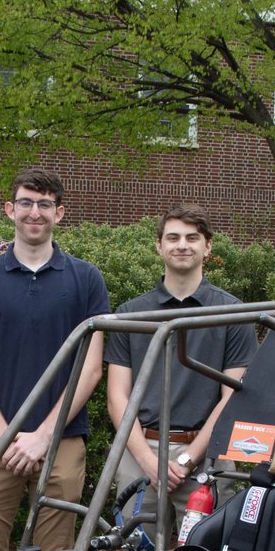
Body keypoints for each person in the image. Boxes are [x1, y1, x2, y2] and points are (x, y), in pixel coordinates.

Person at [0, 168, 109, 551]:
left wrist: (42, 436)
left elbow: (90, 368)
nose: (34, 212)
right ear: (10, 210)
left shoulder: (87, 279)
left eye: (45, 204)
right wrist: (7, 437)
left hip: (61, 441)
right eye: (26, 203)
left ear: (60, 213)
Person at [105, 205, 256, 531]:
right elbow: (118, 397)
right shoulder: (130, 314)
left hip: (207, 454)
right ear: (159, 245)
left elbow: (233, 398)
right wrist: (149, 461)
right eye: (172, 238)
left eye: (192, 237)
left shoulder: (234, 313)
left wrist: (185, 461)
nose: (182, 245)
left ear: (208, 246)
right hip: (139, 451)